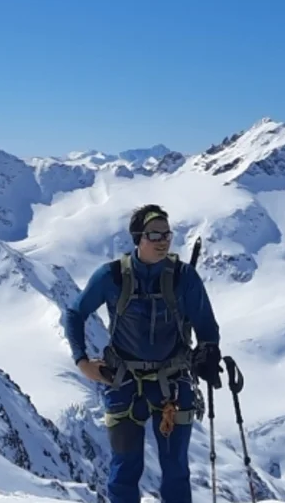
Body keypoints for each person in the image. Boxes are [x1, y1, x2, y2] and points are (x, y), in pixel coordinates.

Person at [61, 204, 223, 503]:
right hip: (126, 381)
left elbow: (206, 327)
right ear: (139, 237)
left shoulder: (184, 277)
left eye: (167, 234)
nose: (163, 240)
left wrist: (207, 352)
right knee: (125, 468)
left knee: (175, 470)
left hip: (169, 382)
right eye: (154, 234)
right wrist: (82, 361)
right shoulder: (112, 276)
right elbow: (73, 313)